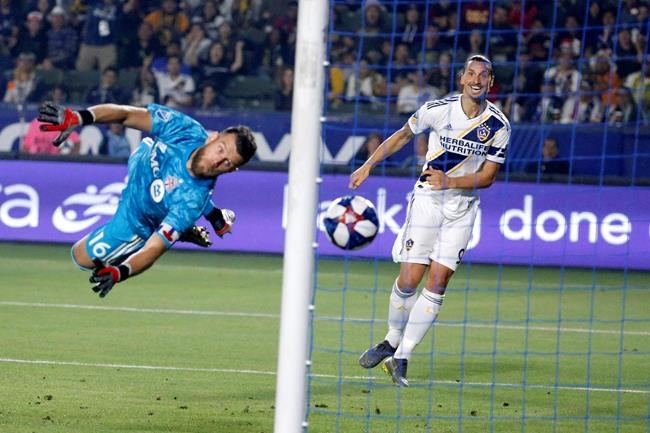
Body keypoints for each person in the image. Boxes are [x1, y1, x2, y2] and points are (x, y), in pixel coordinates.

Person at [349, 54, 510, 387]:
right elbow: (402, 135)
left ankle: (402, 358)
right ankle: (391, 339)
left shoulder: (499, 125)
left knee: (438, 281)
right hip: (427, 201)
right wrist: (368, 165)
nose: (476, 79)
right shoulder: (437, 109)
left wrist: (450, 181)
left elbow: (488, 177)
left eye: (483, 75)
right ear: (462, 79)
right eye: (471, 74)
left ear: (490, 82)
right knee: (409, 279)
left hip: (462, 208)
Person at [37, 101, 257, 298]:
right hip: (141, 163)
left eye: (227, 163)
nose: (217, 162)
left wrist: (120, 272)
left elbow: (153, 250)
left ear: (231, 171)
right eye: (220, 149)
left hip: (136, 218)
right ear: (212, 137)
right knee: (148, 151)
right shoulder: (184, 129)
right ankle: (212, 216)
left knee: (80, 257)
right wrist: (78, 117)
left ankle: (183, 228)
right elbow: (125, 114)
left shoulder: (190, 203)